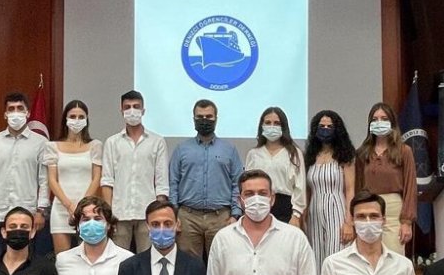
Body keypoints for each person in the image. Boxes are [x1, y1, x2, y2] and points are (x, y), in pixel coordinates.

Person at [0, 92, 50, 260]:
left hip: (27, 214)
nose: (16, 113)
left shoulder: (41, 143)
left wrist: (41, 210)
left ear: (27, 113)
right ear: (5, 114)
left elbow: (44, 180)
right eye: (11, 109)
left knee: (25, 261)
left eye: (20, 108)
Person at [168, 99, 243, 261]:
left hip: (221, 217)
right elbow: (173, 182)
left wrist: (235, 214)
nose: (204, 120)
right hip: (188, 217)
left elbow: (237, 184)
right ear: (193, 119)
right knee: (188, 266)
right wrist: (174, 214)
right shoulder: (182, 149)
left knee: (222, 263)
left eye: (209, 117)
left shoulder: (229, 149)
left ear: (216, 119)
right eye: (200, 117)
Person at [101, 90, 170, 253]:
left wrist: (159, 213)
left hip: (148, 212)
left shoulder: (157, 141)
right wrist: (108, 215)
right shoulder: (112, 142)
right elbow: (107, 181)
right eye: (127, 107)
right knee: (117, 259)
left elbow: (161, 182)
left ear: (143, 110)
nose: (132, 111)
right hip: (119, 214)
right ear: (121, 111)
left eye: (136, 106)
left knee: (147, 259)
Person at [354, 103, 416, 253]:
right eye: (375, 119)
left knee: (393, 253)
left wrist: (406, 222)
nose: (379, 122)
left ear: (392, 122)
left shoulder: (404, 151)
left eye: (384, 118)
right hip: (368, 206)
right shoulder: (362, 152)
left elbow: (410, 187)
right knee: (368, 252)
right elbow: (358, 186)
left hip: (393, 210)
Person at [45, 100, 103, 254]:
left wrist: (81, 207)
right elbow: (52, 180)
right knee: (62, 260)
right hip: (61, 207)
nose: (76, 120)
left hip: (88, 209)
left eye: (81, 117)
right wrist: (70, 206)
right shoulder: (52, 146)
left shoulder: (95, 145)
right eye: (72, 116)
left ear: (86, 120)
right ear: (65, 118)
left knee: (88, 257)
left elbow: (96, 178)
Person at [303, 110, 356, 275]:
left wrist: (349, 222)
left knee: (336, 257)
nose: (325, 129)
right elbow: (308, 190)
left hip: (337, 210)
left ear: (337, 130)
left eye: (329, 127)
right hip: (314, 212)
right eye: (322, 126)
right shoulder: (310, 157)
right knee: (316, 257)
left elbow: (350, 189)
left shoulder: (344, 156)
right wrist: (304, 217)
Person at [244, 107, 305, 225]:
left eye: (277, 123)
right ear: (262, 126)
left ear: (283, 126)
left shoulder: (294, 153)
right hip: (259, 205)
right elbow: (247, 184)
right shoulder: (254, 154)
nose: (272, 126)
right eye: (268, 123)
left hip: (285, 208)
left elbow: (300, 187)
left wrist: (296, 215)